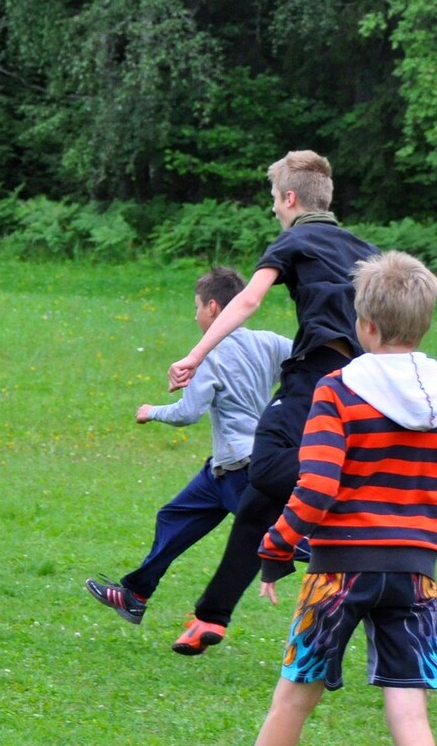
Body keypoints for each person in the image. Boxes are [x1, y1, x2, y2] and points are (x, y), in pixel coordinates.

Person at [183, 252, 437, 746]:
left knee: (294, 697)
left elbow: (316, 486)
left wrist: (276, 549)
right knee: (410, 713)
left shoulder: (338, 389)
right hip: (415, 573)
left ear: (365, 324)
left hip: (339, 574)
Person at [164, 151, 378, 655]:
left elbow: (247, 300)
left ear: (290, 198)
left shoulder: (293, 240)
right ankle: (210, 617)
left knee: (263, 466)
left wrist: (196, 355)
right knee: (257, 505)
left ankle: (342, 504)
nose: (274, 209)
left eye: (275, 200)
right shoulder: (366, 250)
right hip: (365, 379)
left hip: (317, 374)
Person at [85, 267, 290, 630]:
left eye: (196, 306)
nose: (195, 315)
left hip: (242, 469)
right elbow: (305, 360)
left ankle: (351, 559)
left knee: (282, 535)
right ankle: (135, 595)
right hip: (224, 468)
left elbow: (189, 412)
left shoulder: (209, 354)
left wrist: (151, 412)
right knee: (173, 516)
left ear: (212, 307)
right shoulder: (270, 343)